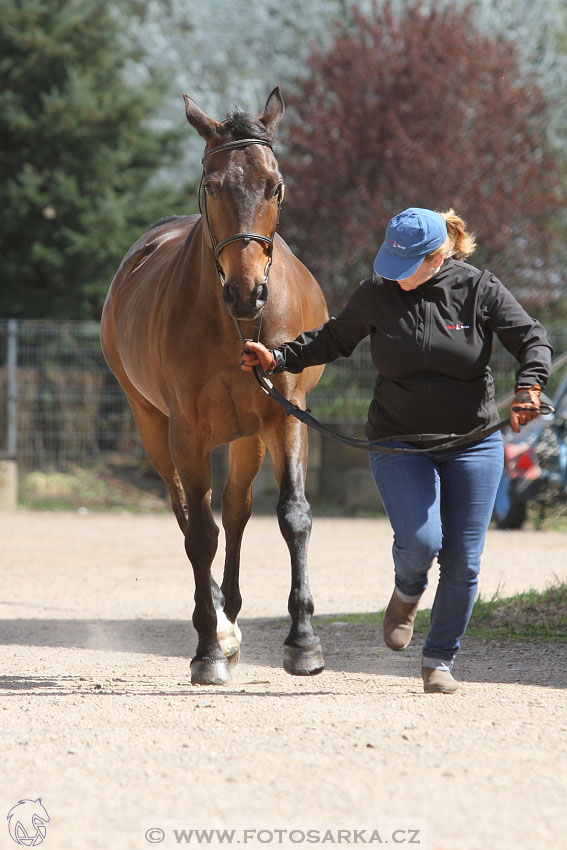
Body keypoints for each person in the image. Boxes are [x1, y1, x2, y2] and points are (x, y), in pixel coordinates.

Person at [240, 207, 552, 694]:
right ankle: (407, 591)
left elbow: (531, 337)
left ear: (437, 256)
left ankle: (439, 659)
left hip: (473, 441)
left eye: (407, 267)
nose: (396, 278)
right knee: (422, 542)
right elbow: (334, 339)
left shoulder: (478, 288)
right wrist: (279, 356)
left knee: (464, 559)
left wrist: (530, 387)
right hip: (398, 440)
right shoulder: (376, 294)